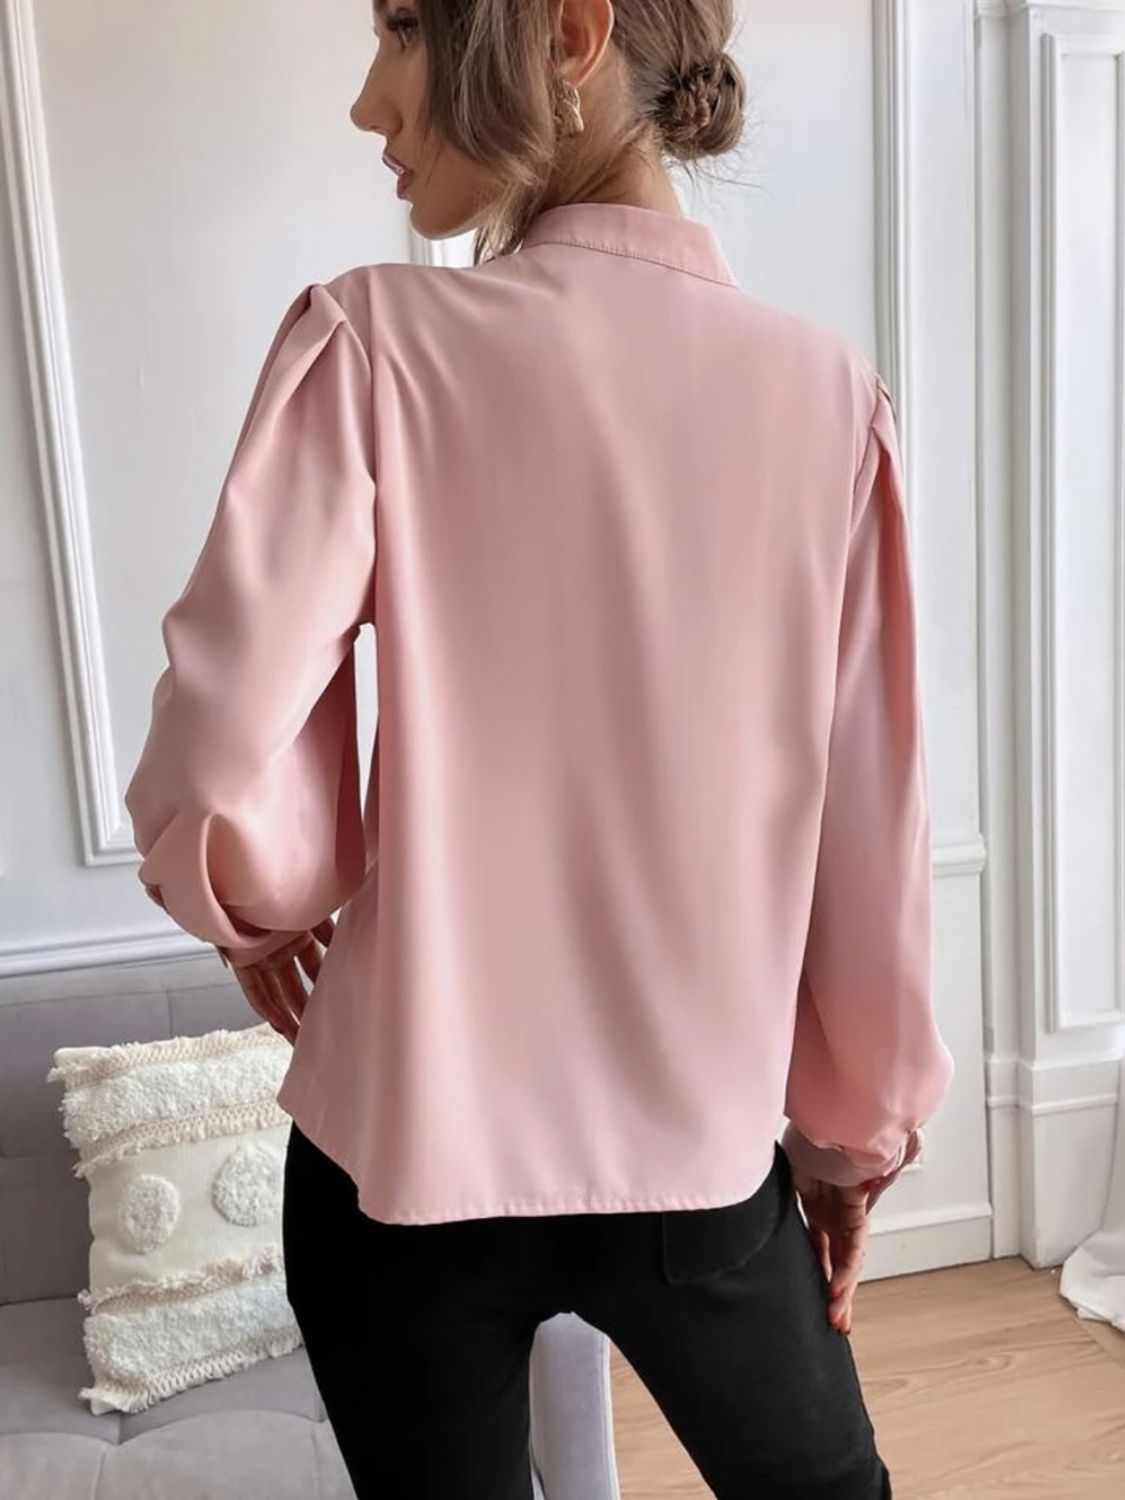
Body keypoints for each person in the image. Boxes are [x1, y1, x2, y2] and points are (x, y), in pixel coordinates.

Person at [124, 1, 955, 1495]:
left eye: (401, 27)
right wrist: (847, 1144)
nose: (368, 98)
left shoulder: (372, 345)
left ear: (567, 33)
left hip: (395, 1160)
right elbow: (867, 837)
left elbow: (223, 764)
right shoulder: (830, 401)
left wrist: (259, 900)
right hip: (696, 1164)